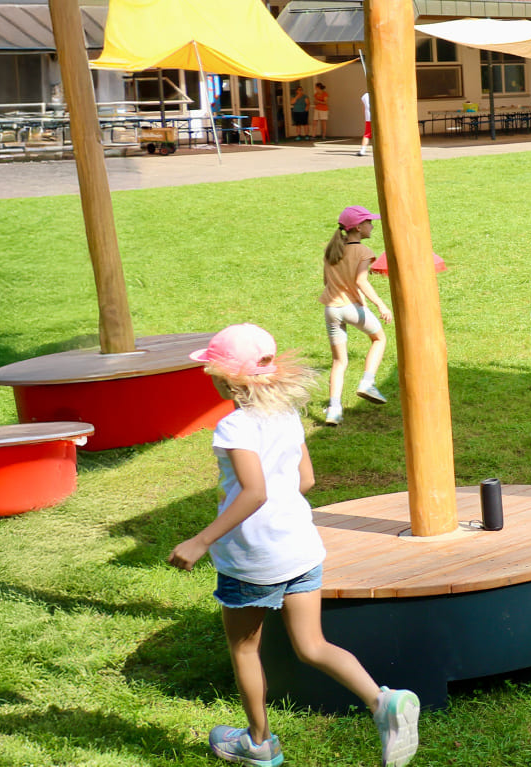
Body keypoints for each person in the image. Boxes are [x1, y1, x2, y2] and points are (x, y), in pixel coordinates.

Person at [168, 324, 421, 767]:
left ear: (228, 377)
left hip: (253, 559)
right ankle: (382, 701)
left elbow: (254, 493)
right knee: (312, 645)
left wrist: (200, 540)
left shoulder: (233, 427)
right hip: (300, 547)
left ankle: (259, 743)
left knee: (245, 648)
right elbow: (306, 480)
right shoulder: (287, 414)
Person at [319, 206, 395, 425]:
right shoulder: (363, 252)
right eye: (370, 222)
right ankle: (367, 383)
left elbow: (327, 282)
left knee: (339, 361)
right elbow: (361, 280)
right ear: (359, 228)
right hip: (351, 308)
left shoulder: (332, 249)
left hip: (331, 310)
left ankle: (333, 410)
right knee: (379, 339)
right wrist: (381, 305)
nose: (372, 226)